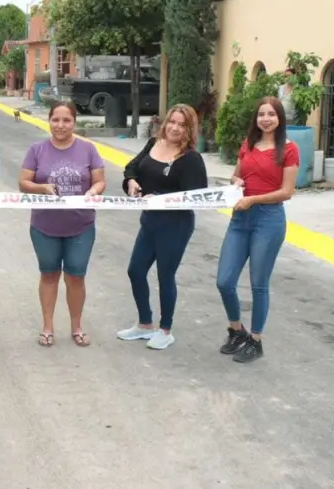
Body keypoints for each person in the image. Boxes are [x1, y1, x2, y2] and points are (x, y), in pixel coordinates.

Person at [117, 104, 208, 351]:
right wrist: (132, 182)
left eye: (182, 125)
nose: (175, 128)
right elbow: (131, 167)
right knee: (135, 271)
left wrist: (158, 196)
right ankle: (145, 324)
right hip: (150, 221)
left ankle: (165, 329)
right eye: (173, 122)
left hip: (175, 224)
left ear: (190, 130)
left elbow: (194, 195)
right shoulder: (153, 144)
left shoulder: (190, 159)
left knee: (165, 275)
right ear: (166, 122)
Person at [215, 96, 298, 363]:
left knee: (258, 284)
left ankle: (256, 340)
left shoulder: (289, 149)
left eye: (271, 114)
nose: (265, 119)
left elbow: (287, 192)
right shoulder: (248, 144)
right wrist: (236, 180)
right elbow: (237, 175)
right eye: (261, 114)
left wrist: (253, 199)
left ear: (279, 118)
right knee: (224, 281)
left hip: (268, 220)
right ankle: (237, 330)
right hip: (240, 220)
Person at [19, 102, 105, 347]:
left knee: (76, 276)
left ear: (74, 123)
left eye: (66, 120)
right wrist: (41, 187)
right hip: (45, 225)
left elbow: (100, 181)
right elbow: (23, 182)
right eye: (56, 119)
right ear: (49, 121)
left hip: (81, 225)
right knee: (49, 274)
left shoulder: (89, 149)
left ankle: (77, 326)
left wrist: (94, 190)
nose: (61, 125)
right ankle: (47, 327)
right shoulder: (37, 150)